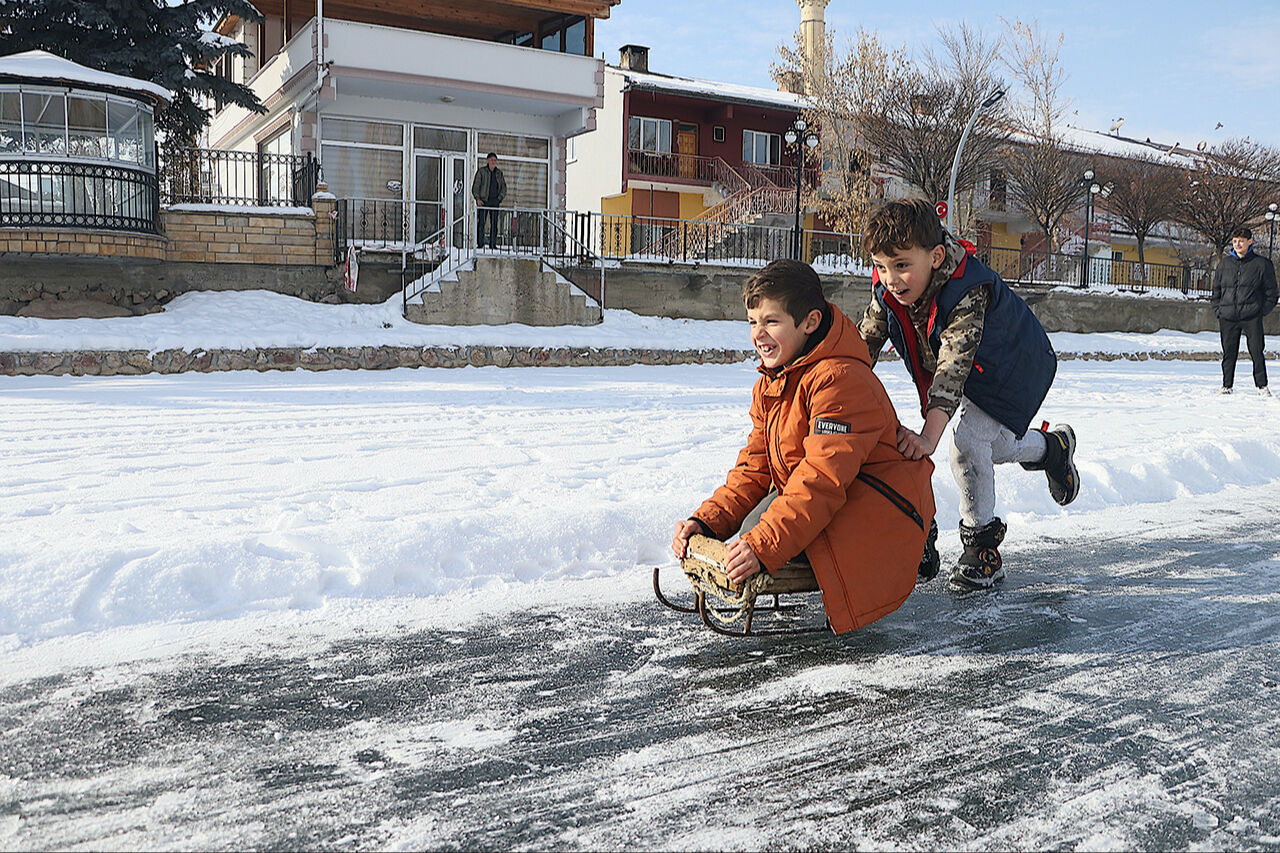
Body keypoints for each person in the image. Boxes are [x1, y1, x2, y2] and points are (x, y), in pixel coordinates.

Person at [671, 259, 938, 635]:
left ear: (810, 322)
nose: (758, 334)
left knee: (761, 537)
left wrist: (762, 546)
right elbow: (754, 468)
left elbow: (821, 481)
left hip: (883, 510)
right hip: (833, 495)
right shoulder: (775, 378)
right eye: (752, 322)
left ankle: (915, 546)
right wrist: (705, 523)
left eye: (771, 321)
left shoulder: (840, 381)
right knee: (751, 530)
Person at [858, 198, 1078, 591]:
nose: (890, 278)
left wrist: (929, 436)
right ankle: (1053, 449)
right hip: (977, 370)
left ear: (936, 256)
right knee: (995, 446)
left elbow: (953, 367)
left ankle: (982, 549)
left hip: (1014, 366)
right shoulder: (888, 289)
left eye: (902, 265)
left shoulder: (967, 290)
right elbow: (864, 346)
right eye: (881, 266)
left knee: (968, 443)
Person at [1211, 226, 1277, 396]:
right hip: (1228, 316)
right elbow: (1216, 290)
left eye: (1241, 241)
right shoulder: (1224, 264)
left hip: (1251, 316)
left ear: (1250, 242)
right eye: (1235, 241)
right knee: (1228, 353)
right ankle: (1226, 385)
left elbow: (1272, 293)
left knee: (1256, 351)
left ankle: (1262, 386)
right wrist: (1218, 309)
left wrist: (1260, 311)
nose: (1237, 244)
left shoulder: (1262, 264)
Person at [471, 152, 506, 249]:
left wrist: (499, 198)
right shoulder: (481, 172)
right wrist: (478, 199)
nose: (493, 162)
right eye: (491, 160)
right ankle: (480, 244)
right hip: (484, 201)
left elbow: (503, 187)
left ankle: (493, 244)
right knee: (481, 223)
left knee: (494, 224)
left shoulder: (499, 173)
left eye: (495, 160)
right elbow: (476, 186)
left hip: (495, 202)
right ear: (487, 160)